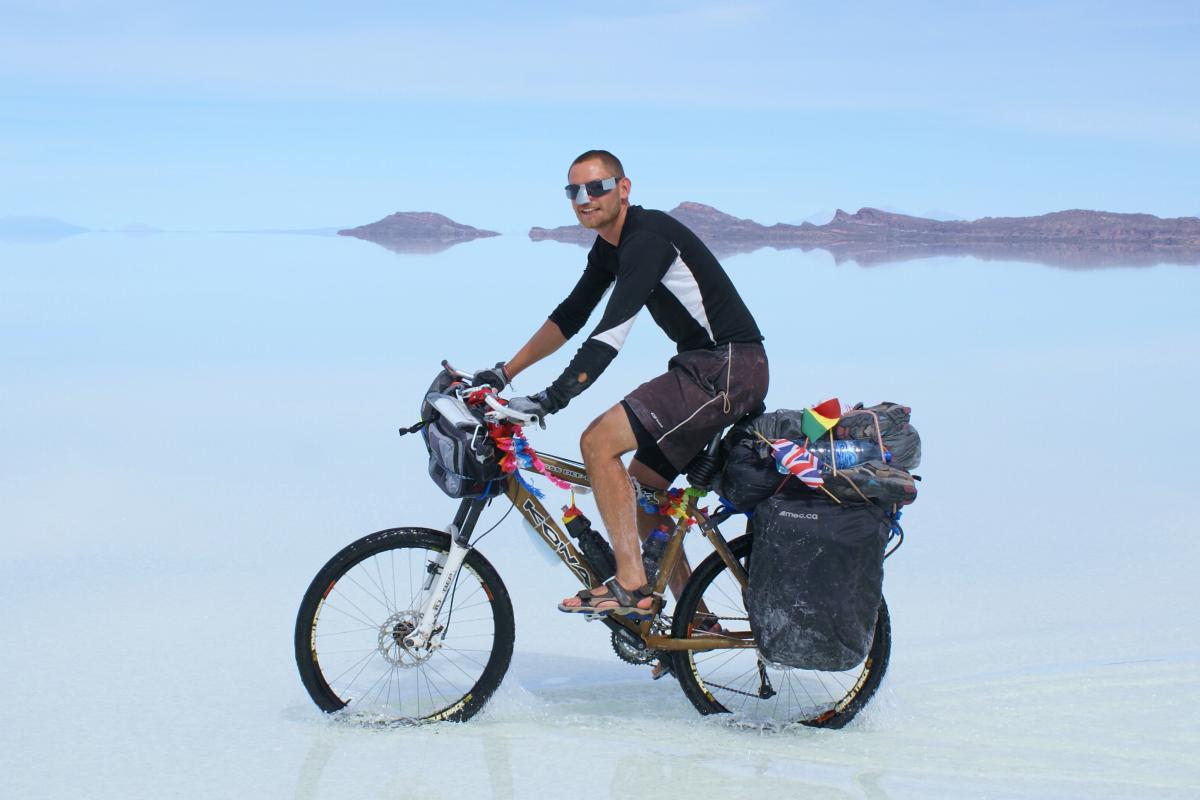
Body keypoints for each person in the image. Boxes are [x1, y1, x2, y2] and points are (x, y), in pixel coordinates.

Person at [474, 149, 768, 616]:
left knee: (598, 443)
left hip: (726, 370)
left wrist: (553, 398)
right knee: (640, 493)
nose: (584, 199)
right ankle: (694, 621)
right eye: (573, 191)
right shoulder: (609, 248)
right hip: (707, 369)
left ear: (624, 189)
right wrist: (504, 373)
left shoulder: (646, 239)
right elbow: (570, 315)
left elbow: (610, 332)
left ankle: (631, 583)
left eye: (597, 187)